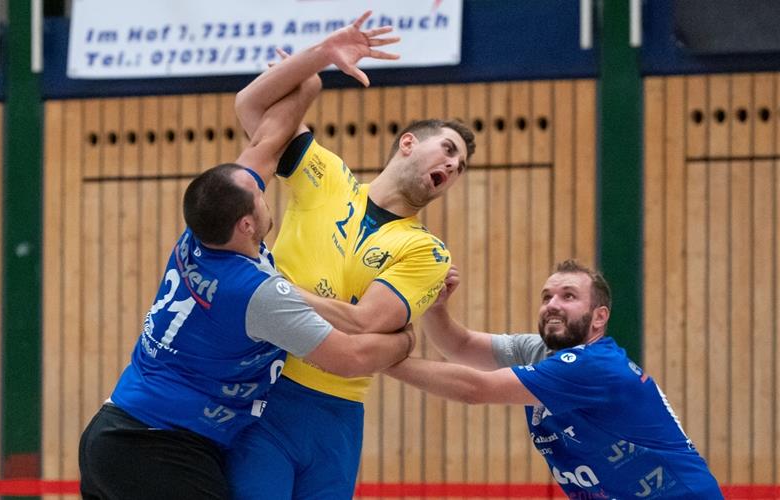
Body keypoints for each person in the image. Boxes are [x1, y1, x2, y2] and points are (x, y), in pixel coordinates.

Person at [77, 74, 416, 499]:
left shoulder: (198, 236)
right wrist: (404, 340)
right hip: (161, 446)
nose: (264, 192)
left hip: (112, 432)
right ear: (247, 224)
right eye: (259, 197)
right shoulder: (256, 293)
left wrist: (309, 81)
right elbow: (349, 358)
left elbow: (266, 144)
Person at [225, 11, 476, 499]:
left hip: (337, 418)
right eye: (446, 149)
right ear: (408, 144)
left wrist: (267, 288)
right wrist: (316, 60)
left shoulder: (427, 252)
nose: (452, 163)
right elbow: (250, 106)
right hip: (266, 392)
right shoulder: (326, 176)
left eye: (460, 165)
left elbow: (363, 325)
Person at [383, 259, 723, 498]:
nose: (552, 304)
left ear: (599, 317)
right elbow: (460, 346)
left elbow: (476, 389)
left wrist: (378, 358)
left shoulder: (594, 366)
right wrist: (434, 305)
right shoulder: (540, 351)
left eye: (569, 296)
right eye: (547, 296)